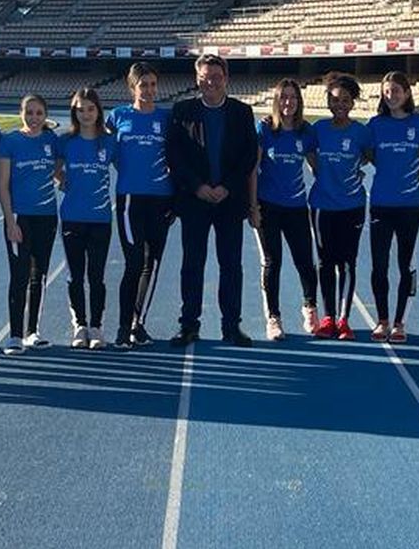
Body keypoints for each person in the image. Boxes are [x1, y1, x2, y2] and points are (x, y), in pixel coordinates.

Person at [166, 53, 259, 347]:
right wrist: (197, 186)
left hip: (229, 202)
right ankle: (189, 325)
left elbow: (248, 156)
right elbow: (174, 155)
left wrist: (228, 187)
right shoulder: (182, 111)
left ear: (226, 79)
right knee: (192, 264)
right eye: (205, 77)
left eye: (216, 77)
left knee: (231, 265)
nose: (211, 82)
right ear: (197, 79)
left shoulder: (242, 112)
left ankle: (232, 326)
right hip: (195, 201)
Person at [109, 63, 174, 348]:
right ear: (132, 87)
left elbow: (180, 155)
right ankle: (124, 327)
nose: (148, 90)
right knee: (134, 262)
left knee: (153, 263)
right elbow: (97, 140)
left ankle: (139, 324)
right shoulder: (118, 116)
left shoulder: (167, 118)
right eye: (142, 85)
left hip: (161, 199)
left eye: (151, 84)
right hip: (130, 200)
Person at [365, 70, 419, 343]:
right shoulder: (374, 124)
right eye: (387, 91)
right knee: (379, 265)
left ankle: (400, 322)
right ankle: (382, 320)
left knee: (406, 265)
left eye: (396, 90)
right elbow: (366, 152)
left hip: (409, 205)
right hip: (381, 203)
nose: (391, 95)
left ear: (406, 93)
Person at [253, 78, 319, 341]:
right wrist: (253, 206)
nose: (288, 102)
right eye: (283, 97)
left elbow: (317, 167)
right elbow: (253, 170)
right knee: (272, 262)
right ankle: (274, 317)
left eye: (293, 97)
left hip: (296, 206)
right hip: (269, 206)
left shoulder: (306, 131)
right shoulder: (266, 129)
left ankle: (310, 308)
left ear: (299, 101)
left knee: (305, 261)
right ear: (276, 101)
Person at [305, 73, 368, 340]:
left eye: (345, 100)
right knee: (325, 262)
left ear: (353, 103)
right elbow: (307, 150)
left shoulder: (361, 132)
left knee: (348, 263)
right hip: (322, 206)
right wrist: (320, 171)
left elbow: (369, 156)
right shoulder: (318, 129)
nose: (340, 104)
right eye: (335, 100)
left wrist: (356, 171)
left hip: (352, 205)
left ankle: (343, 320)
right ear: (328, 103)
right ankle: (328, 317)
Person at [0, 93, 61, 354]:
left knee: (40, 275)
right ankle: (14, 334)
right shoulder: (9, 142)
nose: (34, 118)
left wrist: (64, 180)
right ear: (21, 113)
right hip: (19, 218)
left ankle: (33, 331)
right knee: (19, 275)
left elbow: (58, 171)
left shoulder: (51, 140)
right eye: (29, 113)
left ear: (45, 116)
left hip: (47, 217)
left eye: (39, 113)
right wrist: (10, 221)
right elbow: (3, 185)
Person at [59, 87, 115, 349]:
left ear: (98, 111)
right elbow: (53, 166)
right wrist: (62, 180)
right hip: (72, 217)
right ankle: (79, 325)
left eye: (90, 108)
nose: (85, 114)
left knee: (97, 276)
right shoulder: (66, 141)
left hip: (101, 218)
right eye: (80, 109)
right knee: (75, 276)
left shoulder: (109, 142)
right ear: (74, 112)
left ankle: (97, 326)